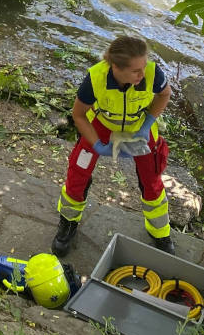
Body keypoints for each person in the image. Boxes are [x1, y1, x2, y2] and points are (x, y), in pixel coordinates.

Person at [52, 35, 174, 256]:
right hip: (102, 124)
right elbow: (79, 115)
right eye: (136, 71)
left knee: (152, 179)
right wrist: (97, 145)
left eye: (143, 67)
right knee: (78, 172)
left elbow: (165, 94)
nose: (142, 74)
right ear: (116, 68)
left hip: (139, 126)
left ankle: (160, 232)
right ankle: (68, 223)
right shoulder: (95, 78)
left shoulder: (153, 73)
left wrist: (147, 124)